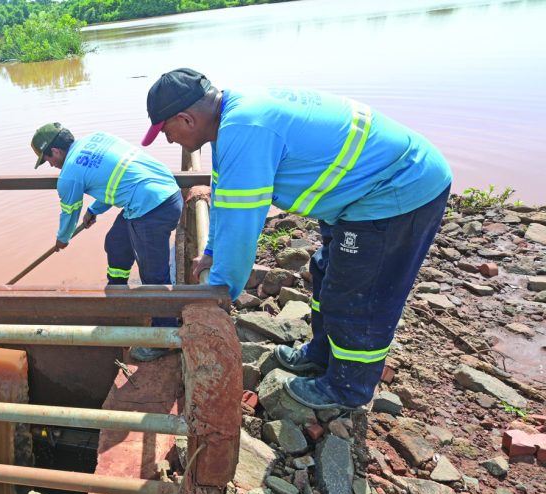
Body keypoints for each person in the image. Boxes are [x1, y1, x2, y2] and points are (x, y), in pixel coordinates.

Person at [140, 68, 452, 411]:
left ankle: (347, 389)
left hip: (396, 190)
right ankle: (321, 354)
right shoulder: (231, 118)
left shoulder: (245, 128)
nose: (169, 142)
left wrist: (219, 294)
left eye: (165, 132)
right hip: (357, 195)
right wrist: (212, 249)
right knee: (326, 272)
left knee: (358, 295)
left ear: (185, 119)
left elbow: (243, 226)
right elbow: (224, 193)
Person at [30, 122, 184, 361]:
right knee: (116, 243)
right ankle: (118, 293)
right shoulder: (97, 138)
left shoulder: (69, 174)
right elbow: (114, 180)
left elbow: (69, 213)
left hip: (151, 208)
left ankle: (164, 337)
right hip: (162, 191)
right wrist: (94, 209)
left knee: (154, 276)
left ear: (55, 151)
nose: (50, 164)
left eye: (47, 159)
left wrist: (62, 239)